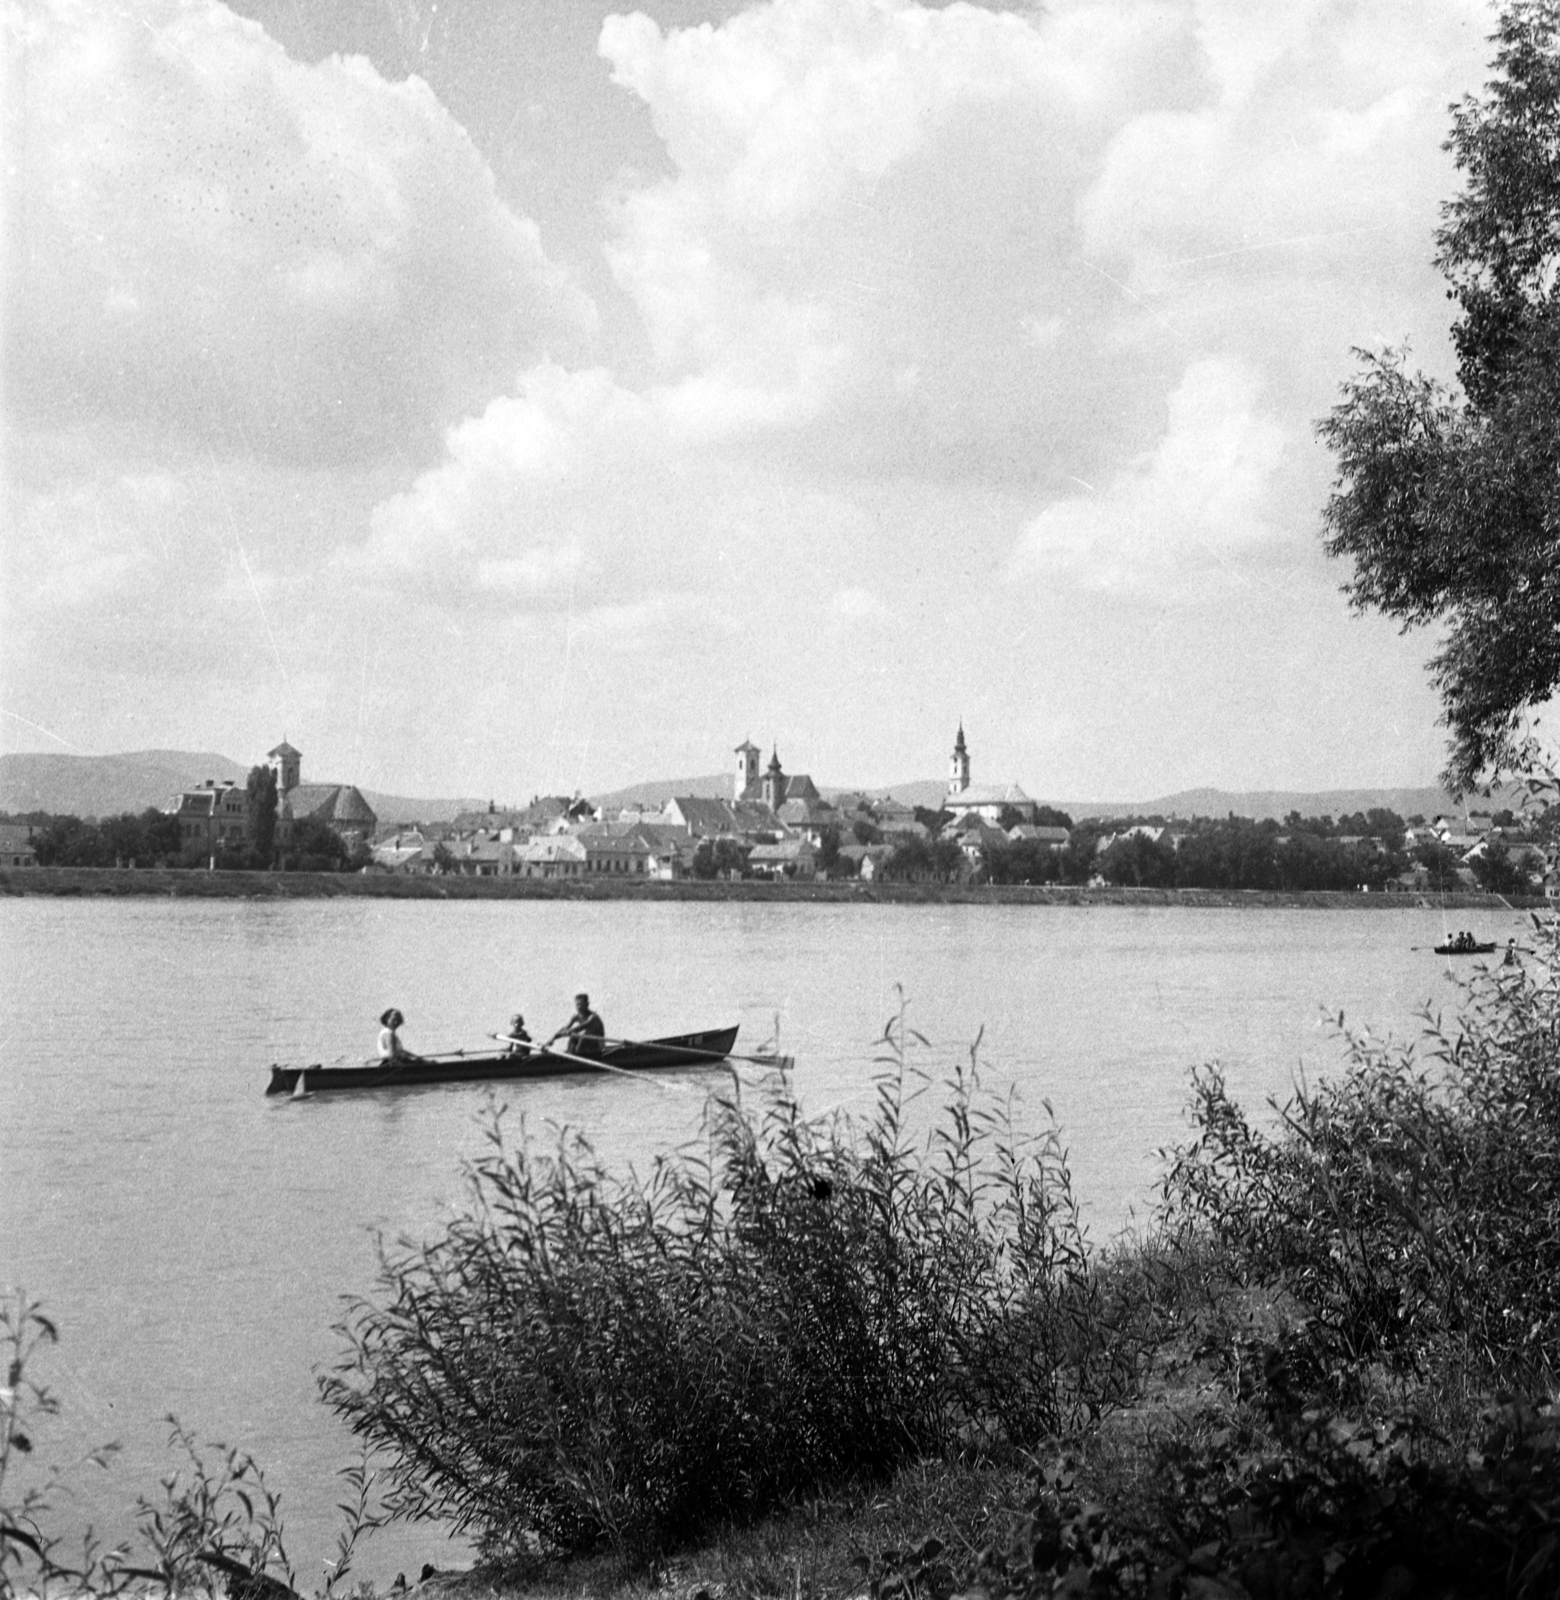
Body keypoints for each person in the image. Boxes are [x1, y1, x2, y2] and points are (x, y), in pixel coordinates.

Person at [550, 992, 605, 1058]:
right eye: (577, 1004)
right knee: (573, 1038)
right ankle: (571, 1056)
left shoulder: (593, 1017)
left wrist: (568, 1032)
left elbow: (580, 1027)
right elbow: (565, 1028)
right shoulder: (576, 1017)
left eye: (581, 1004)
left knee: (583, 1037)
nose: (579, 1007)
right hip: (588, 1043)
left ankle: (577, 1058)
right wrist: (552, 1039)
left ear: (587, 1004)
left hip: (598, 1045)